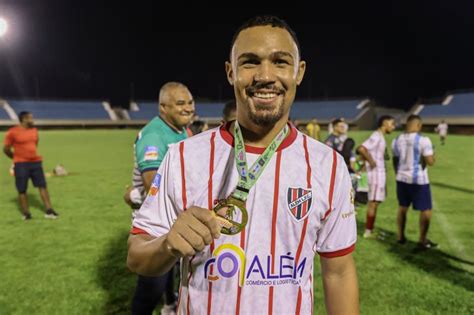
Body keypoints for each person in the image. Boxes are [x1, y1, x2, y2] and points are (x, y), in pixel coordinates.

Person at [127, 15, 359, 314]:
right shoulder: (184, 156)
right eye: (250, 62)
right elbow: (136, 256)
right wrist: (167, 245)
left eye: (280, 62)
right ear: (230, 72)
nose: (265, 75)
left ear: (298, 72)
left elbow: (338, 271)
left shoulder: (328, 166)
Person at [124, 82, 195, 315]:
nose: (188, 108)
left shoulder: (182, 130)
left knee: (172, 265)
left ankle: (169, 304)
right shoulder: (154, 135)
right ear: (163, 107)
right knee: (150, 287)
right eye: (180, 103)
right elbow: (153, 185)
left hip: (175, 216)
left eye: (190, 102)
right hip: (154, 224)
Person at [3, 111, 59, 220]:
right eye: (30, 118)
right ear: (24, 119)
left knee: (42, 186)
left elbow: (35, 144)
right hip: (21, 164)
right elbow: (6, 149)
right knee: (22, 189)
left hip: (36, 162)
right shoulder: (12, 132)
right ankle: (26, 213)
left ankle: (49, 210)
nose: (32, 120)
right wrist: (16, 158)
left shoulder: (34, 130)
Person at [392, 115, 437, 248]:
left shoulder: (396, 139)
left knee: (402, 208)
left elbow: (395, 160)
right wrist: (433, 155)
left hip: (401, 178)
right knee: (426, 210)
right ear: (418, 125)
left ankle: (400, 237)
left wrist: (398, 173)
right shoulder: (423, 140)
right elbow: (430, 161)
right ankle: (422, 240)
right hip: (419, 181)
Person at [356, 115, 395, 238]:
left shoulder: (380, 136)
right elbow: (361, 148)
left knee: (376, 202)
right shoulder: (376, 136)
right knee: (373, 202)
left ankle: (370, 229)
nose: (393, 127)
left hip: (379, 174)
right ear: (385, 123)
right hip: (376, 175)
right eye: (392, 124)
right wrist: (371, 161)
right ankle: (368, 232)